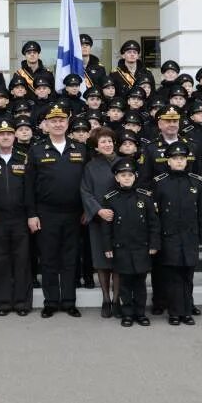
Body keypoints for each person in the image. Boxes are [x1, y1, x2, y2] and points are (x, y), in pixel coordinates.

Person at [26, 104, 88, 318]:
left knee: (71, 259)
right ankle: (51, 301)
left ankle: (69, 301)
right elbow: (29, 186)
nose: (58, 124)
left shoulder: (80, 149)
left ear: (67, 123)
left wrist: (86, 210)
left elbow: (86, 184)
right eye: (53, 121)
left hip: (74, 214)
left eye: (62, 120)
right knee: (50, 259)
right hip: (46, 213)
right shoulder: (36, 150)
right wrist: (32, 214)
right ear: (46, 125)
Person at [152, 142, 202, 325]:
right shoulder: (160, 183)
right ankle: (175, 313)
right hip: (169, 237)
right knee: (172, 276)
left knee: (188, 275)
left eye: (182, 158)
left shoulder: (196, 181)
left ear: (187, 160)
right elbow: (155, 215)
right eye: (175, 158)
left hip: (190, 236)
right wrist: (156, 239)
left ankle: (187, 311)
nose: (179, 161)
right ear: (168, 161)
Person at [100, 158, 160, 327]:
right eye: (123, 175)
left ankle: (140, 313)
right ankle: (127, 313)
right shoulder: (110, 198)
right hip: (121, 248)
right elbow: (106, 226)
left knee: (140, 283)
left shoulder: (145, 197)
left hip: (142, 247)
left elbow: (153, 223)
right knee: (125, 283)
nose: (127, 178)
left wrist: (154, 244)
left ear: (135, 177)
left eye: (130, 175)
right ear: (117, 178)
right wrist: (107, 246)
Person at [0, 119, 32, 316]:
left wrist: (32, 215)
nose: (5, 137)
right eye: (1, 134)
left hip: (20, 217)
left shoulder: (24, 158)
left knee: (22, 260)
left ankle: (22, 303)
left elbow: (30, 190)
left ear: (14, 137)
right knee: (0, 260)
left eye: (9, 134)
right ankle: (2, 302)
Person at [81, 127, 120, 317]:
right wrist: (98, 210)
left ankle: (116, 299)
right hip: (99, 219)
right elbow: (85, 192)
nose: (107, 144)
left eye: (110, 141)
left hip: (121, 219)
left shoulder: (123, 163)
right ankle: (106, 298)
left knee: (118, 260)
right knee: (101, 260)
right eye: (103, 141)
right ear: (96, 146)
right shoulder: (90, 166)